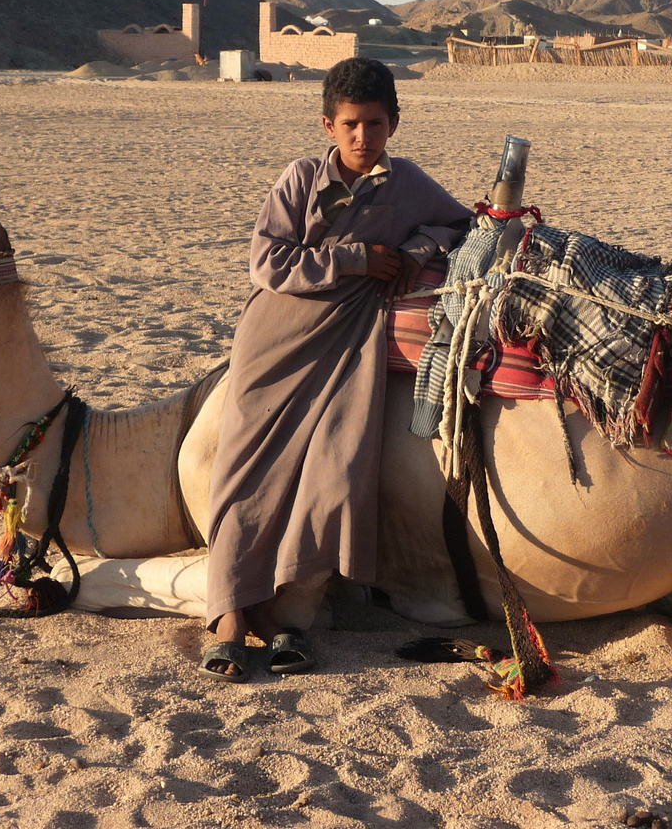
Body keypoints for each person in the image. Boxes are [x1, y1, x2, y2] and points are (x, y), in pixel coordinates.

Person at [201, 57, 471, 681]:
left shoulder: (407, 183)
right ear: (328, 124)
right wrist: (358, 258)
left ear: (393, 125)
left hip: (353, 346)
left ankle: (292, 621)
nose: (362, 137)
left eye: (374, 125)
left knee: (336, 473)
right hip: (277, 343)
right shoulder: (299, 180)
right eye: (350, 124)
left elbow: (460, 225)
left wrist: (413, 251)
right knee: (246, 477)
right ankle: (228, 623)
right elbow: (267, 262)